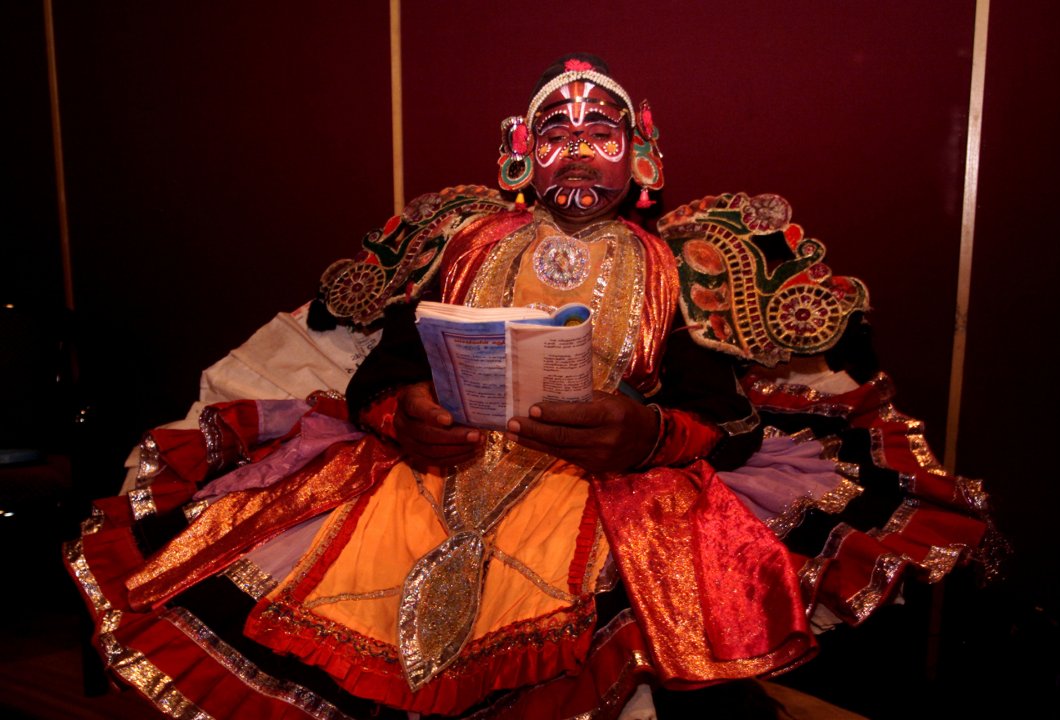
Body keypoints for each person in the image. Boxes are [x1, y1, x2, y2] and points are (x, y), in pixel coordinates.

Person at [65, 54, 996, 719]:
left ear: (640, 151)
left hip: (599, 497)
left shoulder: (671, 260)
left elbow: (725, 413)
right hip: (431, 478)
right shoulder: (470, 240)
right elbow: (384, 369)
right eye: (557, 133)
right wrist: (401, 414)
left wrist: (646, 436)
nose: (580, 151)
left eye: (602, 132)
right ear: (521, 151)